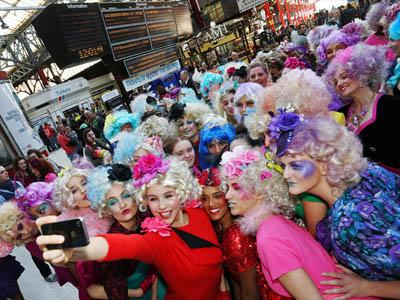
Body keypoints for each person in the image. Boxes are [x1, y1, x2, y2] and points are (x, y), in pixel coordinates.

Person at [36, 155, 228, 300]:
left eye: (168, 196)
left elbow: (216, 266)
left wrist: (225, 293)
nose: (161, 206)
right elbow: (122, 245)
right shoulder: (154, 238)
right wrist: (77, 250)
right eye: (153, 199)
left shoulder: (199, 212)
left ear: (181, 193)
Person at [270, 113, 400, 299]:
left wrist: (367, 288)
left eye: (295, 166)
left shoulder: (351, 220)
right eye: (284, 167)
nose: (286, 175)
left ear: (324, 164)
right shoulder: (368, 173)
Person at [220, 146, 375, 300]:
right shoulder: (275, 222)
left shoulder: (268, 238)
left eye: (236, 188)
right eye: (227, 188)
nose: (227, 196)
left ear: (259, 191)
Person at [199, 167, 287, 300]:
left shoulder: (236, 235)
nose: (210, 204)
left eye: (218, 196)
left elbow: (249, 292)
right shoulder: (218, 229)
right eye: (205, 198)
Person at [85, 164, 165, 300]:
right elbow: (116, 290)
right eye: (113, 202)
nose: (122, 205)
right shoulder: (110, 242)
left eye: (126, 196)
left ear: (134, 195)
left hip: (160, 279)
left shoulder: (147, 215)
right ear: (106, 209)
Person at [324, 44, 400, 174]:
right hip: (366, 186)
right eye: (335, 82)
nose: (339, 84)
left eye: (344, 76)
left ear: (362, 73)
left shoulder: (391, 105)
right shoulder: (342, 113)